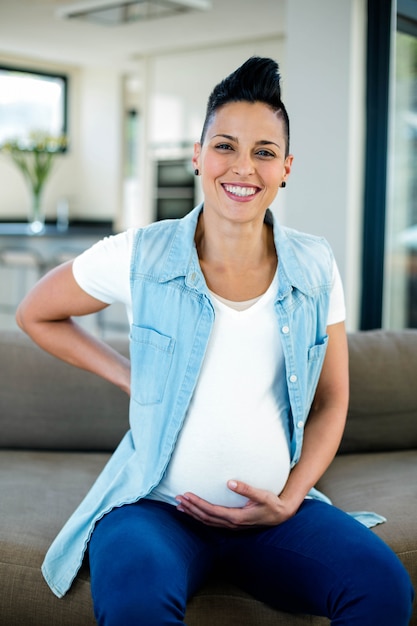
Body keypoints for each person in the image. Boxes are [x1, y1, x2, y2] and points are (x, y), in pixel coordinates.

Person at [16, 57, 413, 625]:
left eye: (264, 152)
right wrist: (130, 375)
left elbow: (331, 401)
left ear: (286, 167)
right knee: (135, 608)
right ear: (197, 155)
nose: (243, 168)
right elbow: (36, 313)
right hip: (154, 511)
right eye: (225, 146)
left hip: (276, 516)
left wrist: (289, 500)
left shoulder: (317, 266)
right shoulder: (140, 255)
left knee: (381, 587)